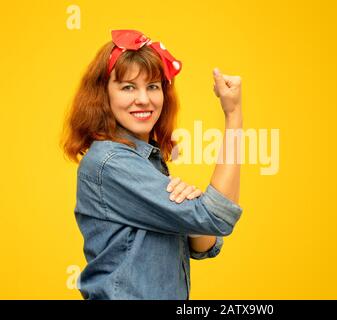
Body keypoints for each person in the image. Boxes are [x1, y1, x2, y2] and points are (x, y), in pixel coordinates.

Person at [60, 29, 244, 300]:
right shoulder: (110, 163)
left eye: (153, 86)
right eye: (127, 87)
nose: (144, 99)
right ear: (103, 95)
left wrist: (191, 211)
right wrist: (234, 114)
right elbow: (218, 217)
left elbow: (205, 243)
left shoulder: (145, 160)